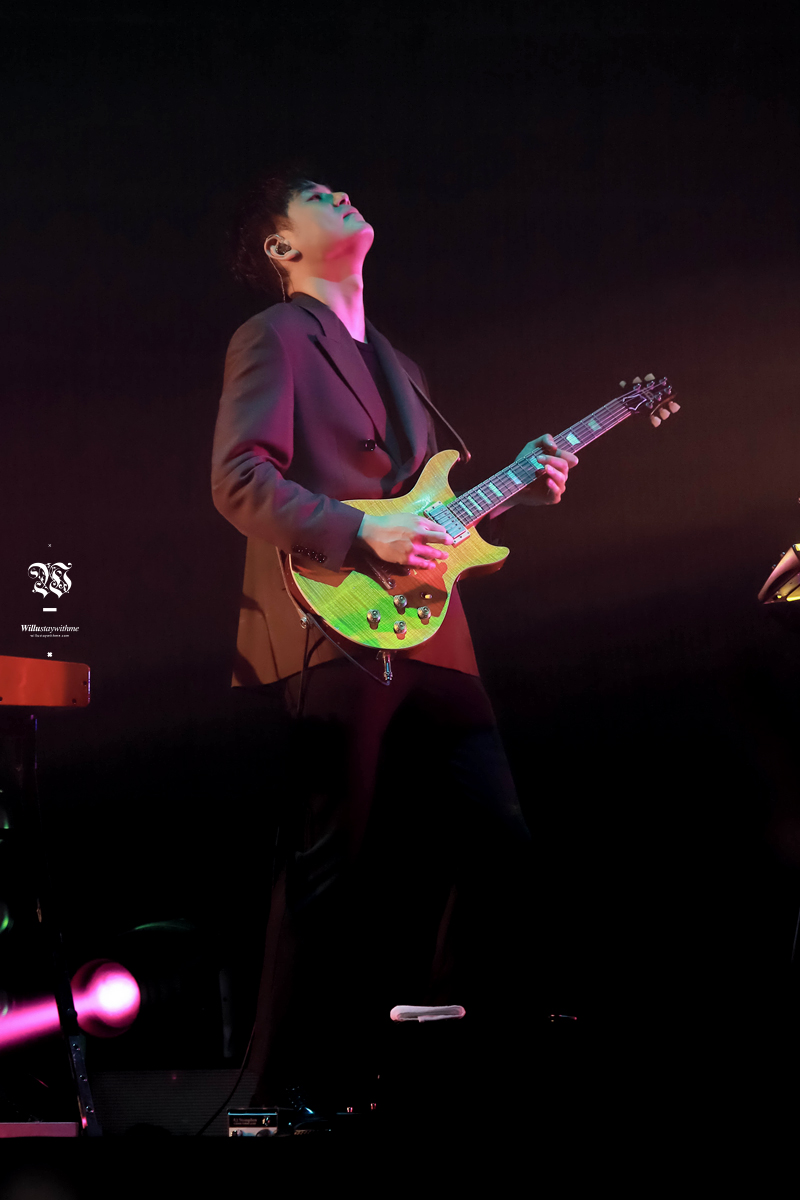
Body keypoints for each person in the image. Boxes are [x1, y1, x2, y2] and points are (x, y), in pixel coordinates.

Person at [211, 170, 578, 1114]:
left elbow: (428, 514)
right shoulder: (274, 337)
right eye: (317, 197)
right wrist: (357, 533)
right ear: (281, 247)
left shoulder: (403, 366)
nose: (342, 196)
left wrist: (516, 488)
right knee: (328, 860)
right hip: (330, 619)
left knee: (499, 840)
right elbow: (240, 479)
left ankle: (449, 1036)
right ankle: (275, 1095)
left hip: (433, 631)